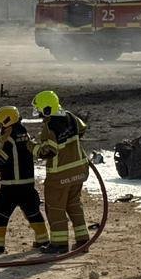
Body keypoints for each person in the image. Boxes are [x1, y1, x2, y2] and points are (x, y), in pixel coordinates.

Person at [0, 106, 49, 255]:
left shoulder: (9, 139)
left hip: (11, 186)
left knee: (0, 213)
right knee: (33, 212)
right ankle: (43, 240)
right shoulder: (24, 133)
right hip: (28, 185)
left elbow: (0, 160)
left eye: (0, 124)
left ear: (7, 122)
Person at [32, 90, 90, 254]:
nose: (39, 114)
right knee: (74, 206)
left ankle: (59, 244)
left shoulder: (50, 126)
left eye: (39, 110)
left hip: (60, 176)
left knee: (55, 209)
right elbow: (82, 129)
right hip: (79, 171)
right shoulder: (71, 116)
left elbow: (48, 151)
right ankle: (83, 241)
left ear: (47, 109)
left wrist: (32, 146)